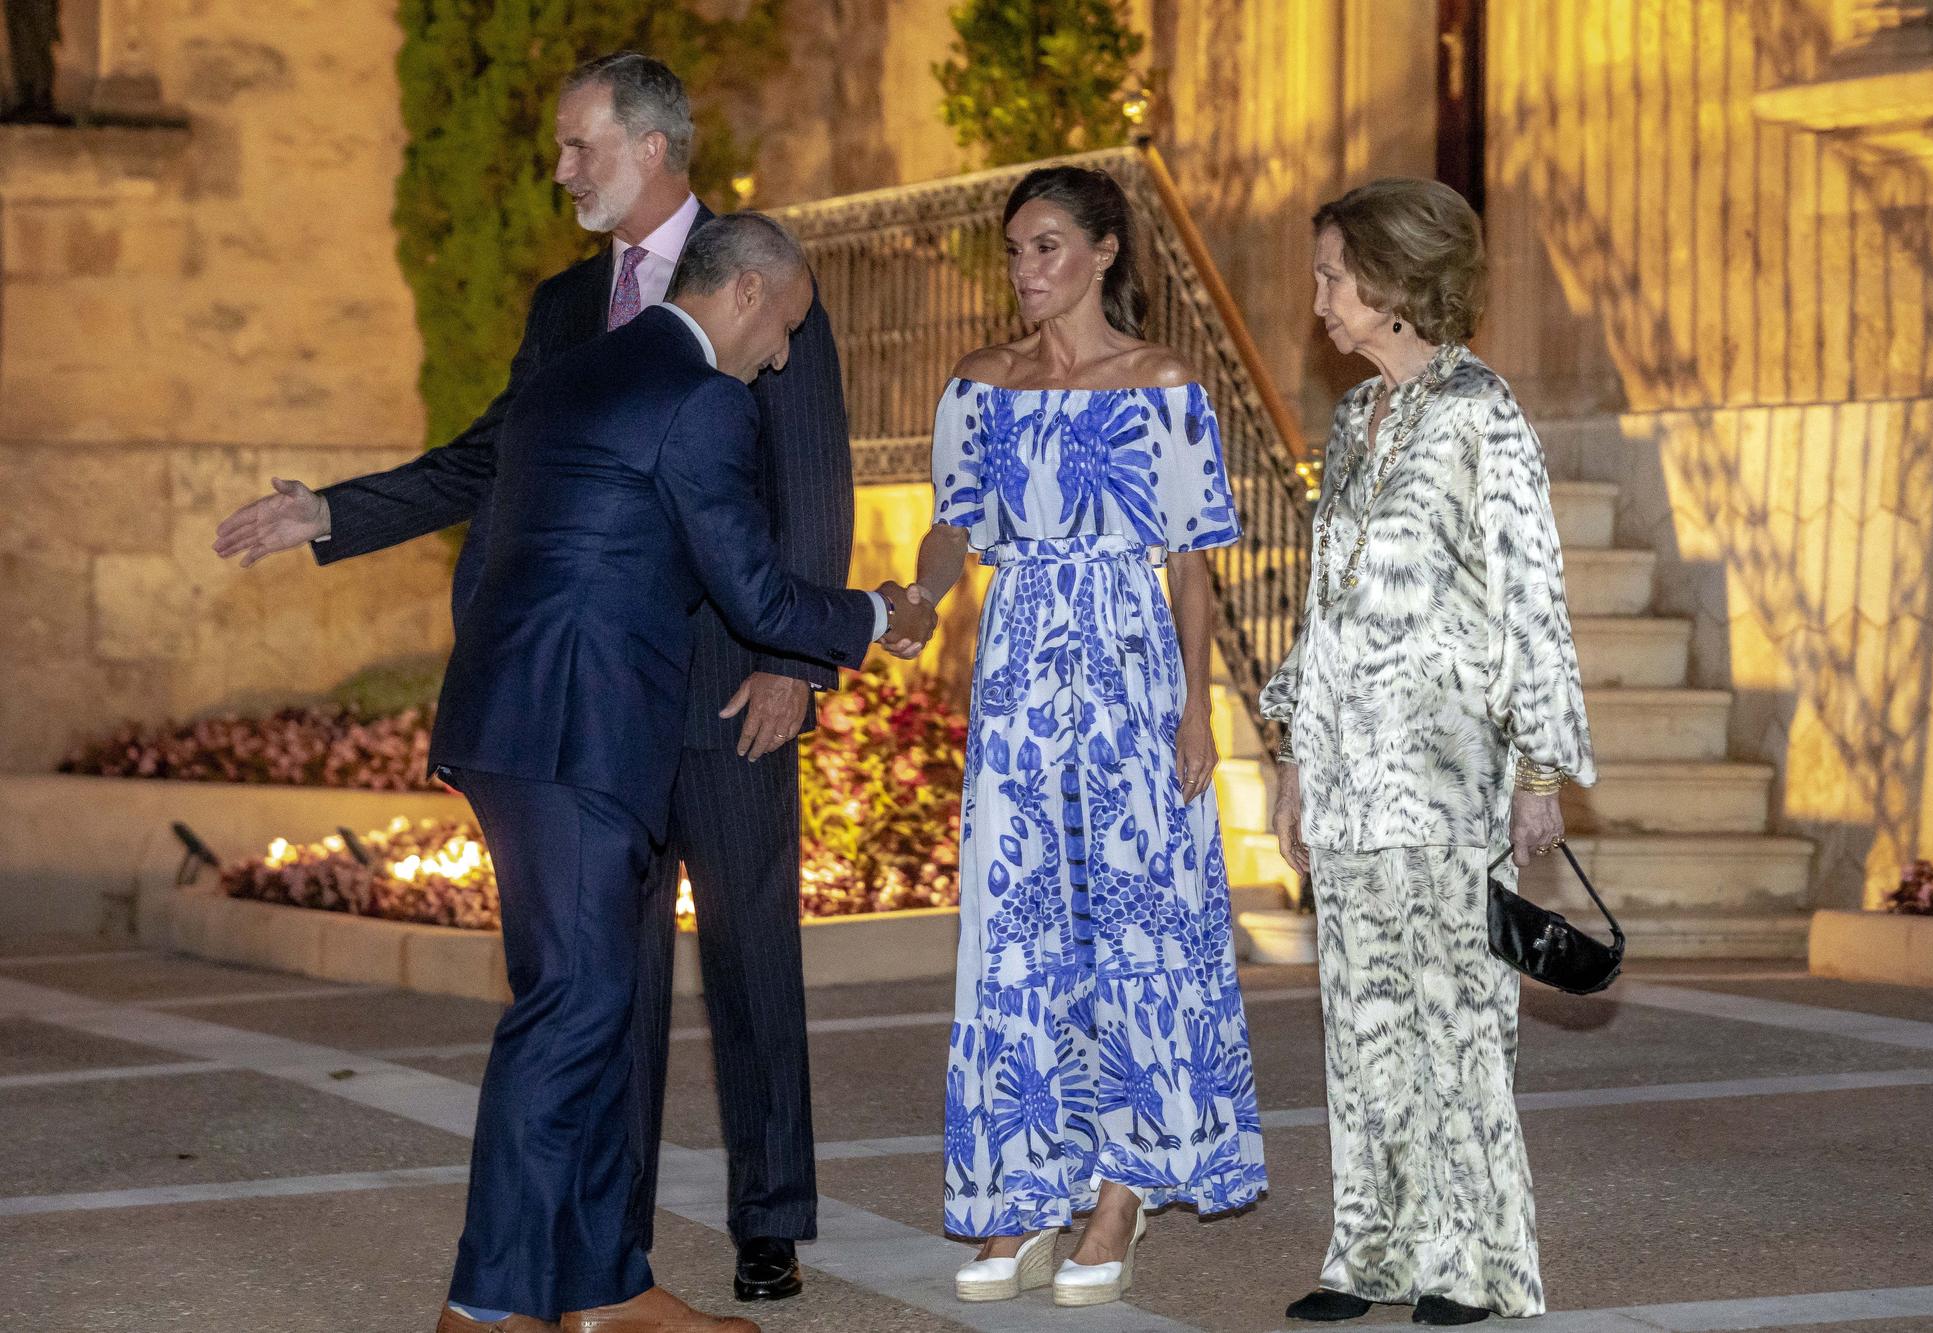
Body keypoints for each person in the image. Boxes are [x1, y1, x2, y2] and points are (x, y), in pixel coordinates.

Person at [211, 53, 847, 1306]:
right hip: (584, 694)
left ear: (654, 147)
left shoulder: (765, 275)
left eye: (580, 148)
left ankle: (767, 1216)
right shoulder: (566, 306)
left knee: (749, 947)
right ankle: (613, 1268)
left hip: (727, 676)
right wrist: (334, 511)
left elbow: (808, 477)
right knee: (602, 993)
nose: (560, 171)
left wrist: (791, 659)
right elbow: (485, 463)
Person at [426, 212, 924, 1333]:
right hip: (577, 737)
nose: (785, 356)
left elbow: (500, 542)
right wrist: (875, 614)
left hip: (523, 727)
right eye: (786, 325)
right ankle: (482, 1305)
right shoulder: (700, 401)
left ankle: (608, 1288)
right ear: (745, 293)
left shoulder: (582, 371)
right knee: (568, 1016)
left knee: (592, 1014)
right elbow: (751, 593)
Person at [902, 165, 1265, 1310]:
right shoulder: (979, 384)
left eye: (1047, 246)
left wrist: (1196, 707)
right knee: (1016, 924)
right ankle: (1021, 1187)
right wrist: (914, 602)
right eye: (1014, 250)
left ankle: (1120, 1190)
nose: (1025, 270)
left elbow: (1193, 560)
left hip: (1127, 668)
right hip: (1016, 674)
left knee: (1136, 921)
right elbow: (950, 532)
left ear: (1104, 253)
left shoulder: (1160, 383)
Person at [1260, 178, 1595, 1326]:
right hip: (1349, 769)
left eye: (1330, 275)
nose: (1316, 299)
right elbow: (1325, 600)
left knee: (1456, 1018)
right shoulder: (1356, 419)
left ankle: (1468, 1260)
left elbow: (1528, 593)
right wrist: (1296, 751)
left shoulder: (1480, 412)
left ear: (1394, 283)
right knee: (1359, 1020)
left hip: (1449, 768)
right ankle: (1368, 1250)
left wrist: (1538, 770)